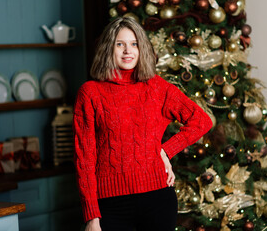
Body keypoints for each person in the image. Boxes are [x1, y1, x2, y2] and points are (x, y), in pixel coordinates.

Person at [73, 17, 212, 231]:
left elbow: (201, 121)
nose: (128, 51)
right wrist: (92, 216)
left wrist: (166, 150)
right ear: (108, 48)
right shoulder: (90, 93)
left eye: (134, 44)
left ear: (142, 48)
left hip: (157, 200)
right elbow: (85, 157)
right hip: (110, 205)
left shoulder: (157, 88)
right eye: (120, 44)